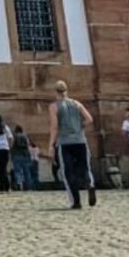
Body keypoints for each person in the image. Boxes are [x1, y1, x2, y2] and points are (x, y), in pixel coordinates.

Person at [48, 80, 96, 210]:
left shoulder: (54, 106)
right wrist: (80, 126)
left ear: (55, 91)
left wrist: (51, 144)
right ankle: (90, 184)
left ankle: (76, 201)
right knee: (85, 168)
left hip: (65, 143)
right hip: (80, 141)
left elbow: (54, 126)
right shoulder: (76, 103)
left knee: (68, 172)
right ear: (66, 90)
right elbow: (89, 119)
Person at [11, 125, 32, 190]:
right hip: (25, 155)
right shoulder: (25, 136)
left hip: (16, 155)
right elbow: (28, 146)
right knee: (27, 172)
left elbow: (12, 145)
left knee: (18, 171)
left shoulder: (14, 136)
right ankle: (28, 186)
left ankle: (19, 184)